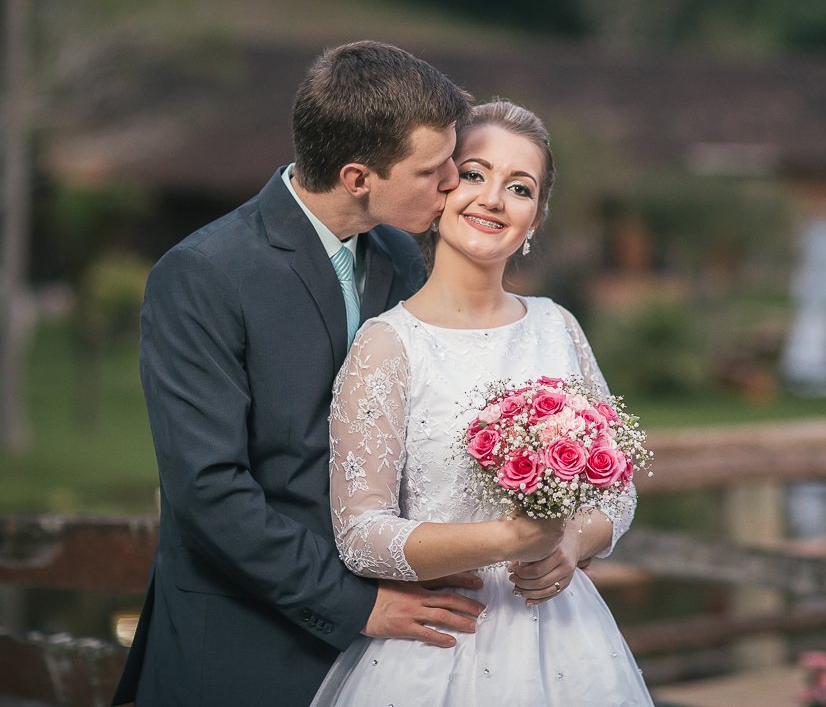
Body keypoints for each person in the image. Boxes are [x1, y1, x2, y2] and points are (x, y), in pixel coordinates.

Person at [113, 42, 561, 706]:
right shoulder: (204, 276)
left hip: (400, 645)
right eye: (435, 170)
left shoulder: (402, 259)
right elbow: (208, 490)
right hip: (242, 646)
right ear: (358, 177)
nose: (451, 186)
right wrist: (355, 604)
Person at [313, 101, 652, 706]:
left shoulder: (558, 327)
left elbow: (617, 490)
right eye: (474, 174)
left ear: (535, 219)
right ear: (441, 187)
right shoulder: (388, 345)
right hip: (438, 643)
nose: (492, 199)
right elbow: (360, 533)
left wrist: (572, 543)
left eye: (519, 187)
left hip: (568, 644)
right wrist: (509, 538)